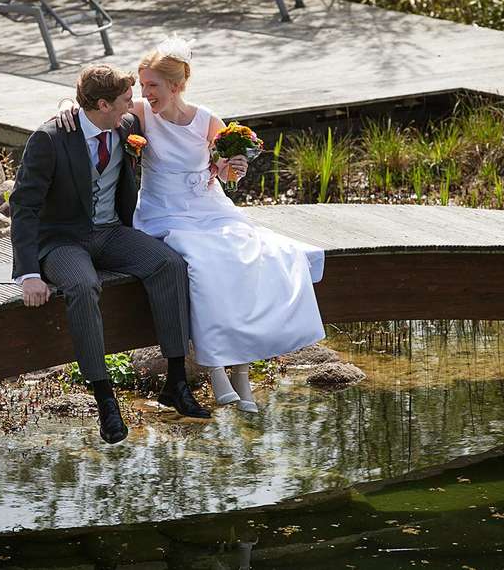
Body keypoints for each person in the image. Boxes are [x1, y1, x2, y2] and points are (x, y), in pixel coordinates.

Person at [57, 39, 325, 413]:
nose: (144, 92)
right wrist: (68, 107)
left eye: (152, 85)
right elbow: (96, 107)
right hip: (163, 212)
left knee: (249, 256)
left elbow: (226, 174)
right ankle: (216, 370)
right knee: (202, 265)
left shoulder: (206, 119)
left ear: (176, 86)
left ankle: (242, 373)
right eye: (142, 84)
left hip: (209, 207)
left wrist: (234, 168)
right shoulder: (140, 113)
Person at [9, 63, 210, 446]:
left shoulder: (125, 128)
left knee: (169, 264)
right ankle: (105, 400)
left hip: (112, 233)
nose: (132, 106)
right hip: (63, 241)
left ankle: (176, 382)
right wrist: (29, 273)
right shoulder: (50, 139)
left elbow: (171, 114)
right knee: (83, 287)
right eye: (123, 101)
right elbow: (24, 207)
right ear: (102, 104)